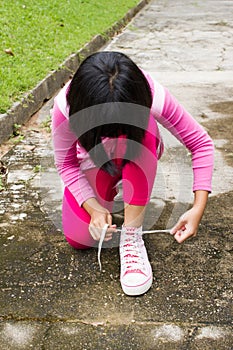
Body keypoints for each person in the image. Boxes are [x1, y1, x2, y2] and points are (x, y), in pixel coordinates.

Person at [51, 51, 214, 296]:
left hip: (137, 154)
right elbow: (66, 165)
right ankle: (108, 191)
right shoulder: (65, 108)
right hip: (94, 164)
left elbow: (200, 143)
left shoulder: (151, 94)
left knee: (143, 134)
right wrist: (94, 208)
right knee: (80, 238)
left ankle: (132, 236)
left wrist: (198, 207)